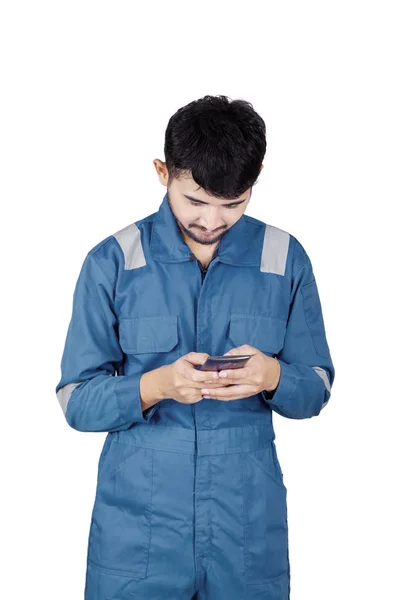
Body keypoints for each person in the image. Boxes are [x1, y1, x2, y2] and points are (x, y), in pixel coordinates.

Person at [55, 94, 335, 600]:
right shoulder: (113, 262)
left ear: (256, 179)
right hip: (137, 532)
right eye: (196, 200)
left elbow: (315, 388)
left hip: (247, 530)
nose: (212, 220)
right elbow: (75, 399)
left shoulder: (284, 258)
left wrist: (271, 376)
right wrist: (155, 385)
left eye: (233, 203)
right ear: (163, 171)